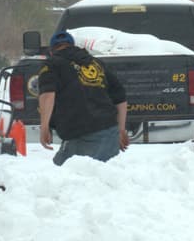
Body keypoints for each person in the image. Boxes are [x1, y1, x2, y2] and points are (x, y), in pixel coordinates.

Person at [37, 30, 129, 164]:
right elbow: (120, 96)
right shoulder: (96, 63)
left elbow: (48, 95)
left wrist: (44, 127)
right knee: (102, 179)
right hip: (110, 131)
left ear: (51, 51)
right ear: (73, 46)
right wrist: (120, 129)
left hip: (82, 134)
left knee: (62, 177)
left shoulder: (52, 64)